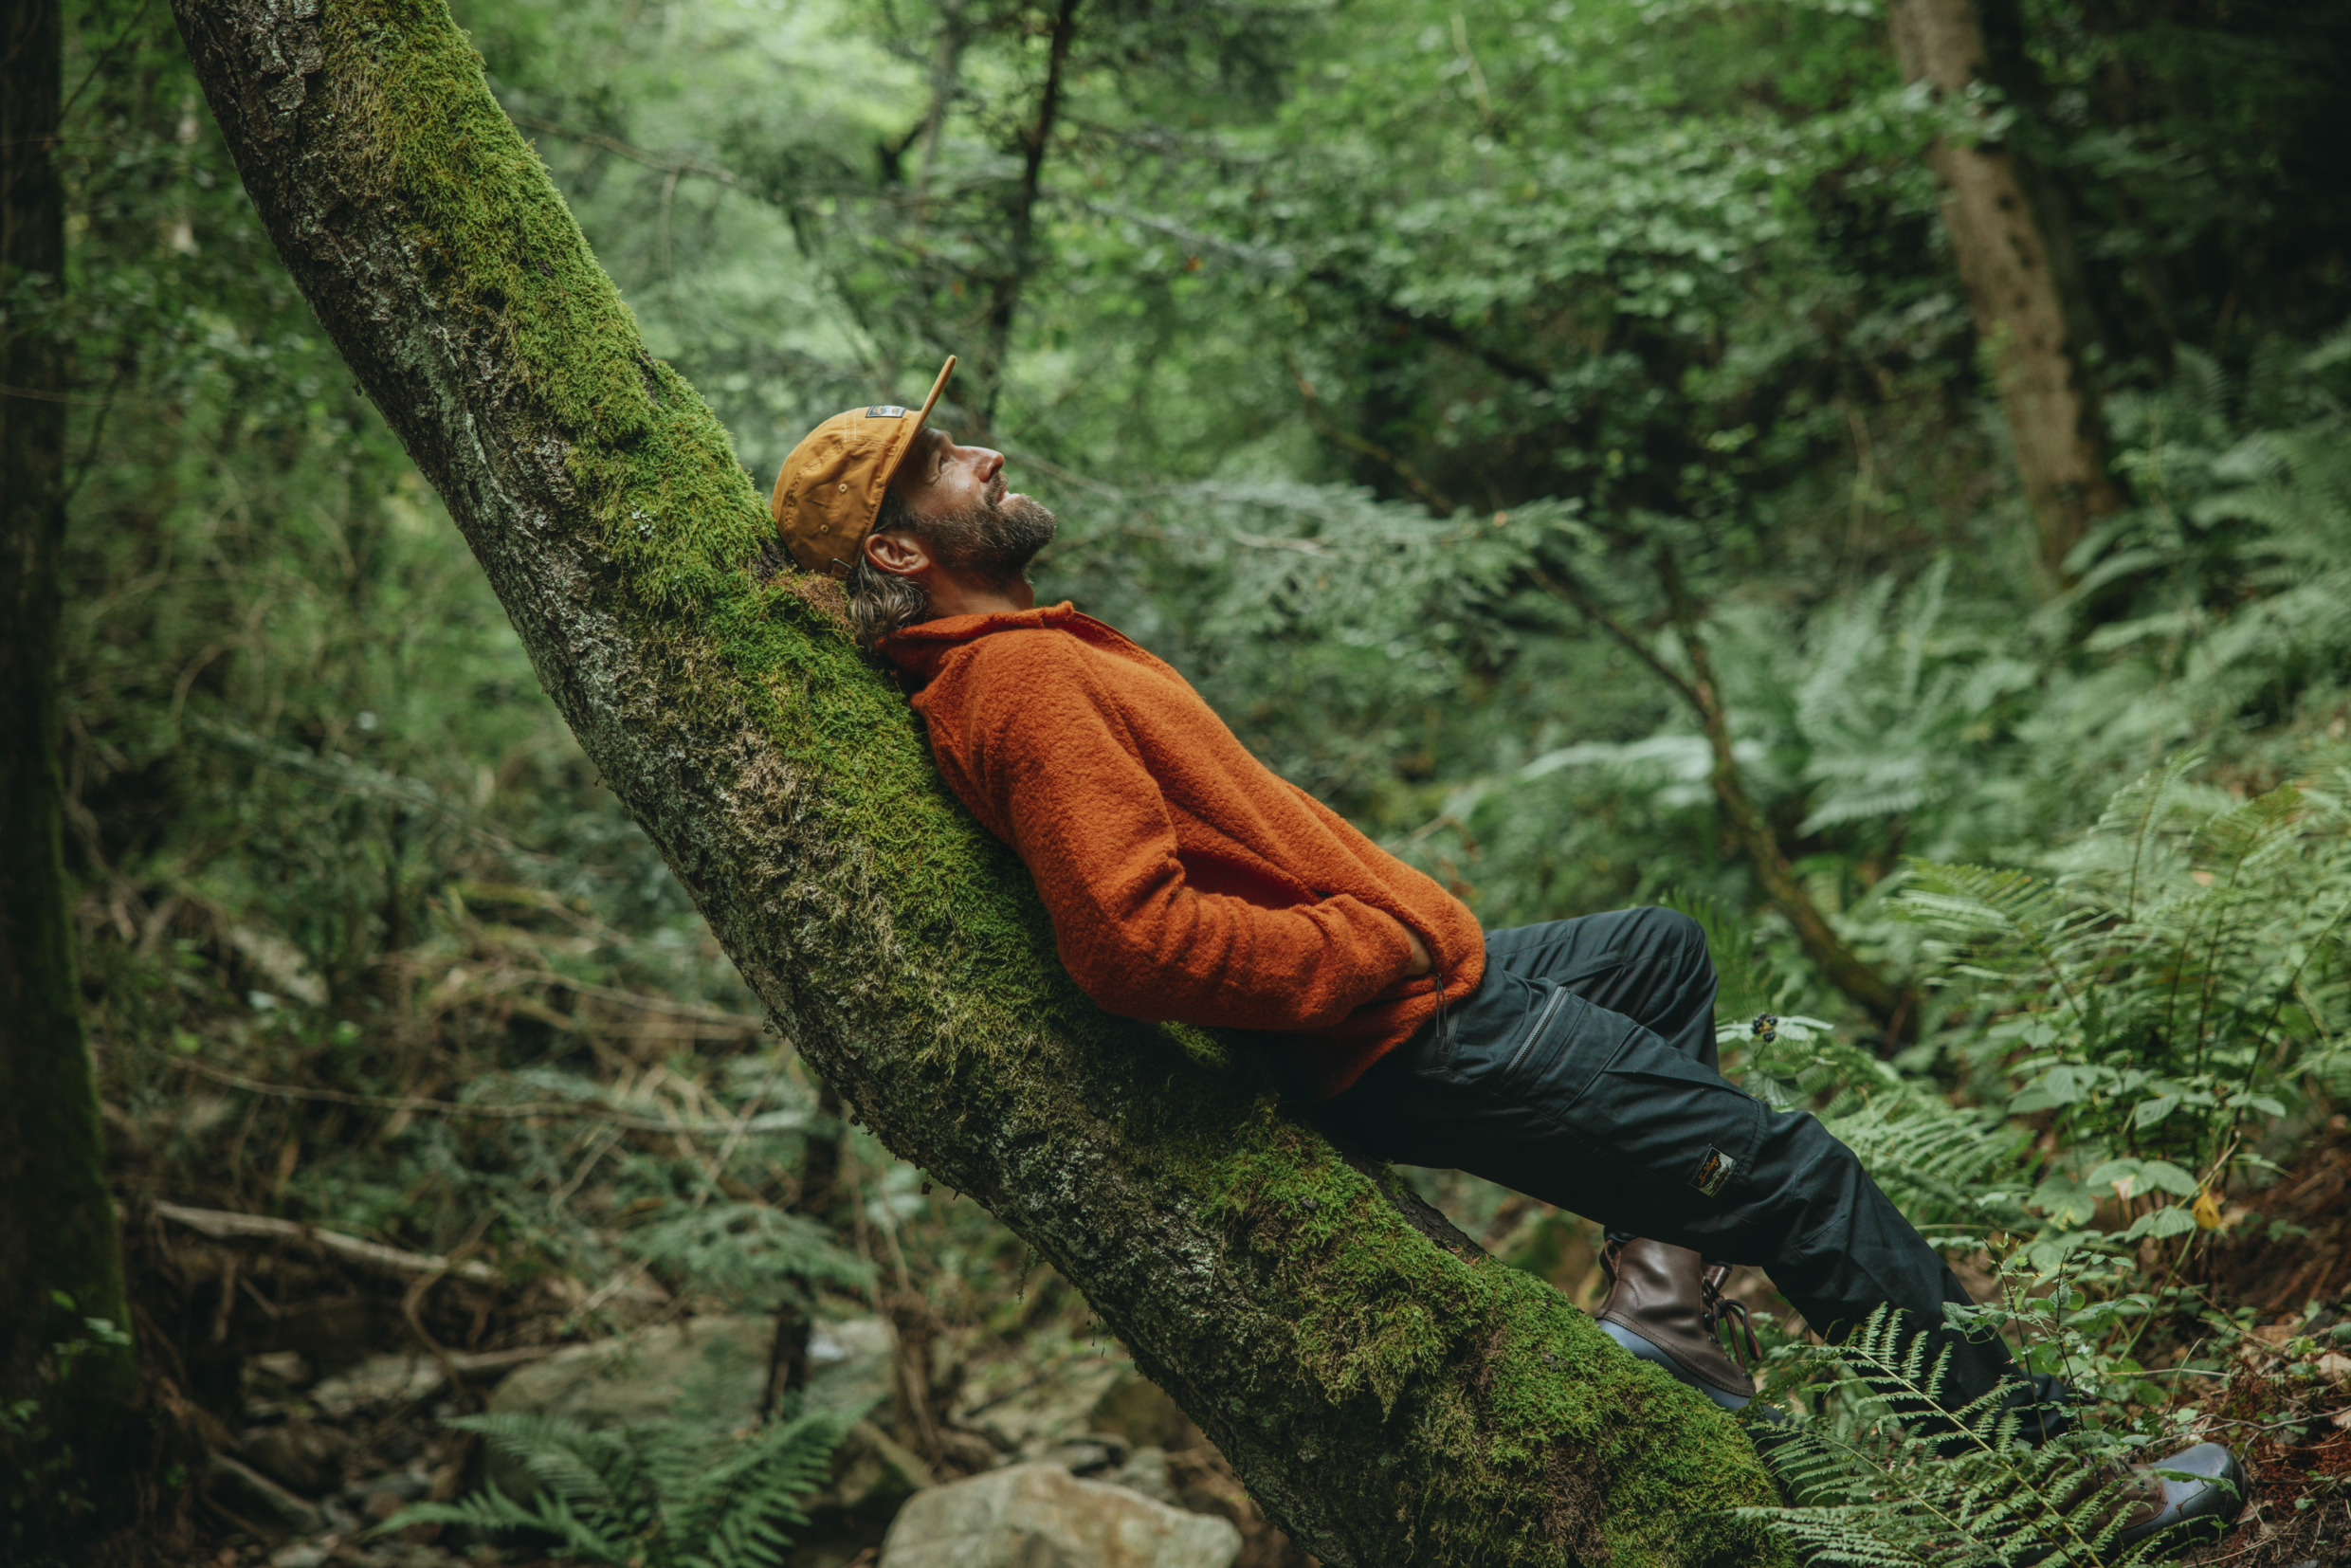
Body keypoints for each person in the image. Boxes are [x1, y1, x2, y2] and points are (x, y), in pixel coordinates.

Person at [769, 358, 2243, 1558]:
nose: (987, 454)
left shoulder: (1018, 654)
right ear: (899, 547)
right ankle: (2067, 1506)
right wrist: (1359, 949)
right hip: (1406, 1029)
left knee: (1658, 952)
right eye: (950, 457)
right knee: (1799, 1179)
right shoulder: (1017, 681)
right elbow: (1127, 939)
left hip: (1416, 984)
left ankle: (1669, 1318)